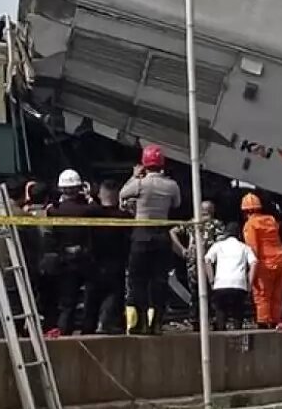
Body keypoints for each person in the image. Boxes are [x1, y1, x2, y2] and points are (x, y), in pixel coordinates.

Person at [120, 144, 181, 335]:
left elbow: (122, 194)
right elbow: (176, 203)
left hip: (141, 234)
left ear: (145, 164)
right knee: (159, 279)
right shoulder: (172, 185)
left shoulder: (140, 183)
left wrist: (135, 175)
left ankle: (140, 323)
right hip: (162, 235)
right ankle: (156, 323)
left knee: (137, 280)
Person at [45, 169, 101, 337]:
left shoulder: (54, 211)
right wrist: (90, 198)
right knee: (90, 299)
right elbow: (98, 210)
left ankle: (64, 330)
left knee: (67, 302)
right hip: (85, 257)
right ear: (79, 187)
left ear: (61, 189)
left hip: (65, 258)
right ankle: (87, 330)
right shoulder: (88, 210)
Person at [81, 179, 131, 335]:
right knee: (114, 296)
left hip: (93, 262)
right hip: (116, 263)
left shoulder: (90, 214)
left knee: (91, 298)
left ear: (100, 193)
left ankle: (88, 327)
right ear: (117, 196)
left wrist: (90, 198)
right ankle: (107, 324)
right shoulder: (124, 217)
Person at [169, 200, 224, 330]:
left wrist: (182, 250)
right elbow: (221, 242)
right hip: (210, 262)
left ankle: (196, 321)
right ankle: (212, 320)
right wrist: (182, 249)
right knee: (211, 291)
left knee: (196, 293)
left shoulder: (193, 222)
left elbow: (172, 232)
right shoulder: (216, 224)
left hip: (195, 262)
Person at [242, 193, 282, 330]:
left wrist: (251, 268)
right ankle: (275, 321)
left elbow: (253, 249)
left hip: (266, 263)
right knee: (277, 294)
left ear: (245, 211)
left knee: (262, 294)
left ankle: (263, 324)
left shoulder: (250, 225)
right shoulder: (271, 219)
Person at [205, 222, 258, 331]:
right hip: (239, 284)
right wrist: (249, 284)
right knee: (238, 311)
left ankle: (221, 331)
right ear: (239, 234)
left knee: (220, 310)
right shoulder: (244, 247)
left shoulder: (218, 245)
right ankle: (237, 333)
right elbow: (254, 263)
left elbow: (207, 260)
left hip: (220, 284)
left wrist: (211, 280)